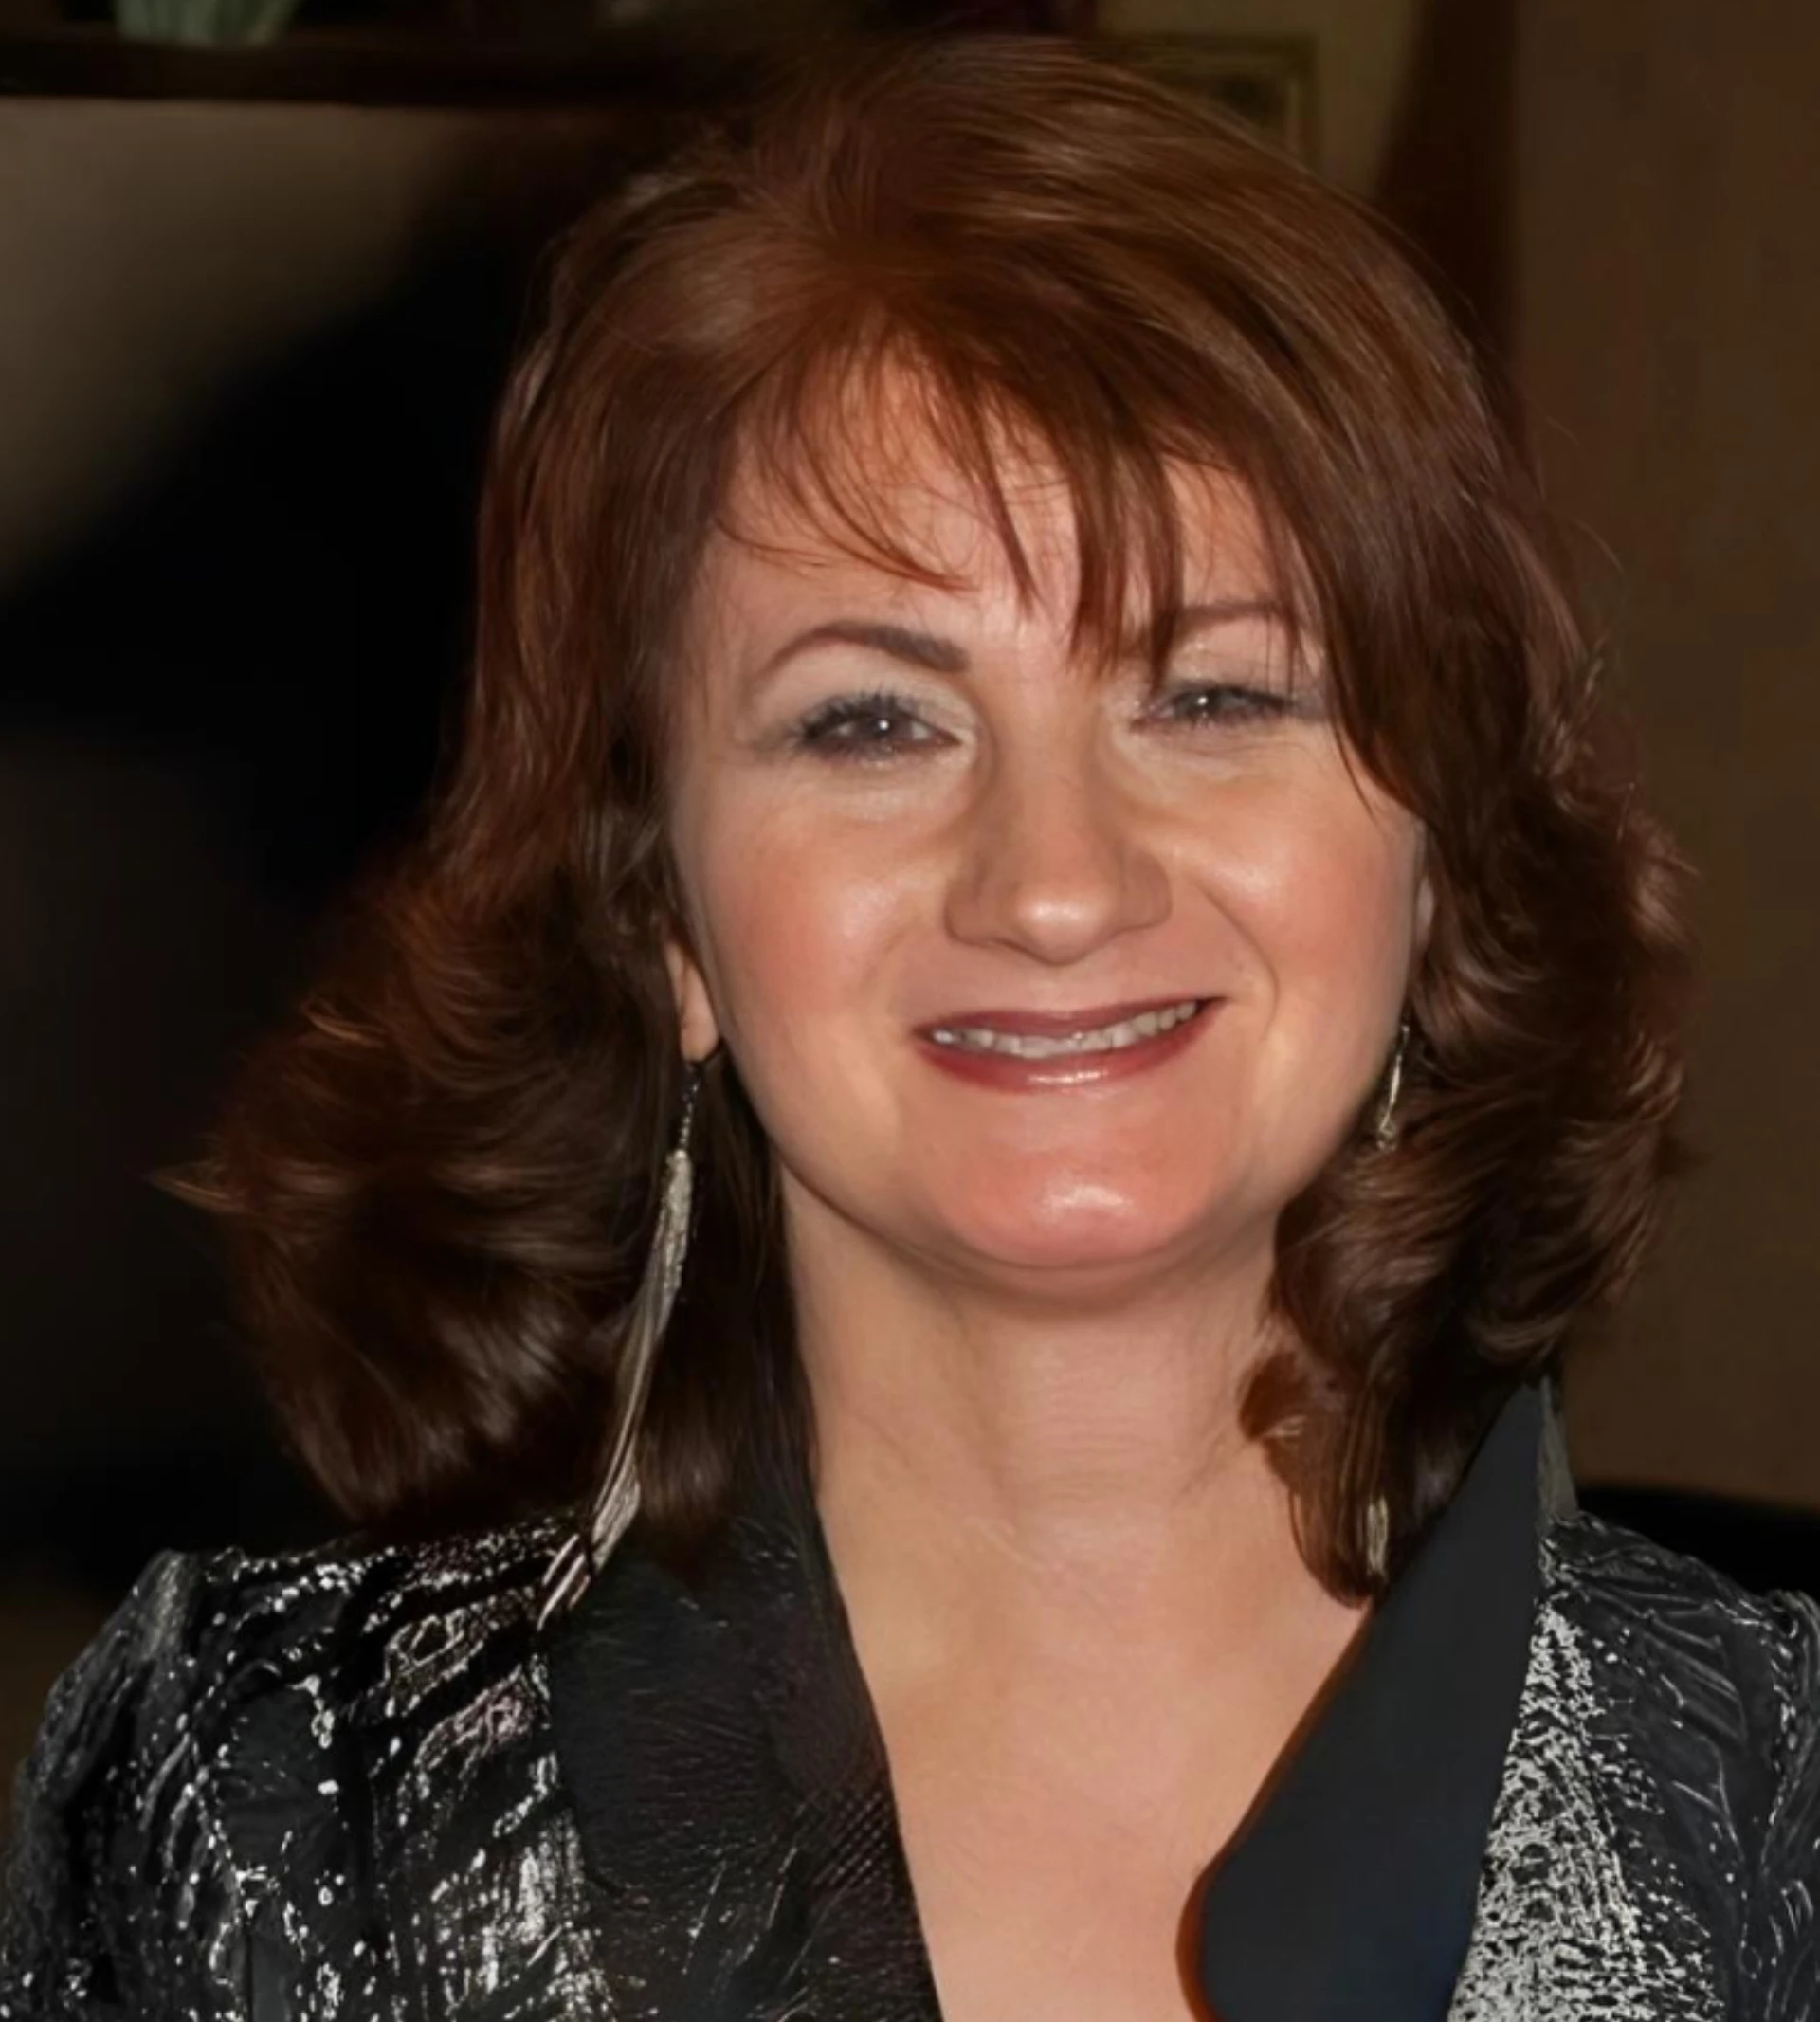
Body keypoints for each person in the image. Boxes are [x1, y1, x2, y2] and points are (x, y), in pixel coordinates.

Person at [4, 34, 1815, 2021]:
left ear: (1438, 855)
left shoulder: (1765, 1821)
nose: (1055, 883)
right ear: (662, 915)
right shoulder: (280, 1824)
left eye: (1212, 697)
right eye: (871, 721)